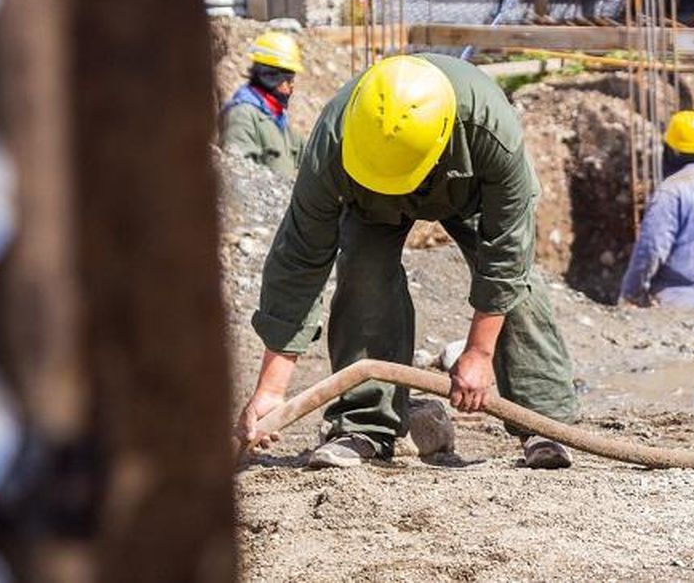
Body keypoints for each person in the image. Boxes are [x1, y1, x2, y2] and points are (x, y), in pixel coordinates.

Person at [235, 54, 578, 469]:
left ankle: (543, 423)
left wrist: (479, 353)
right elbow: (300, 257)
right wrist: (272, 388)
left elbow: (507, 251)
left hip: (466, 186)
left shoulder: (491, 130)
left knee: (516, 287)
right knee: (363, 271)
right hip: (368, 198)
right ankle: (366, 425)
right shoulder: (333, 142)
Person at [619, 110, 694, 310]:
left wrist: (631, 293)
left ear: (672, 151)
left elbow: (652, 249)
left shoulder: (672, 190)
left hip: (671, 301)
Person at [218, 31, 306, 177]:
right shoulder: (242, 116)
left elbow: (308, 154)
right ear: (271, 78)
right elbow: (238, 176)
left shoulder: (277, 118)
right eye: (289, 81)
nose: (292, 88)